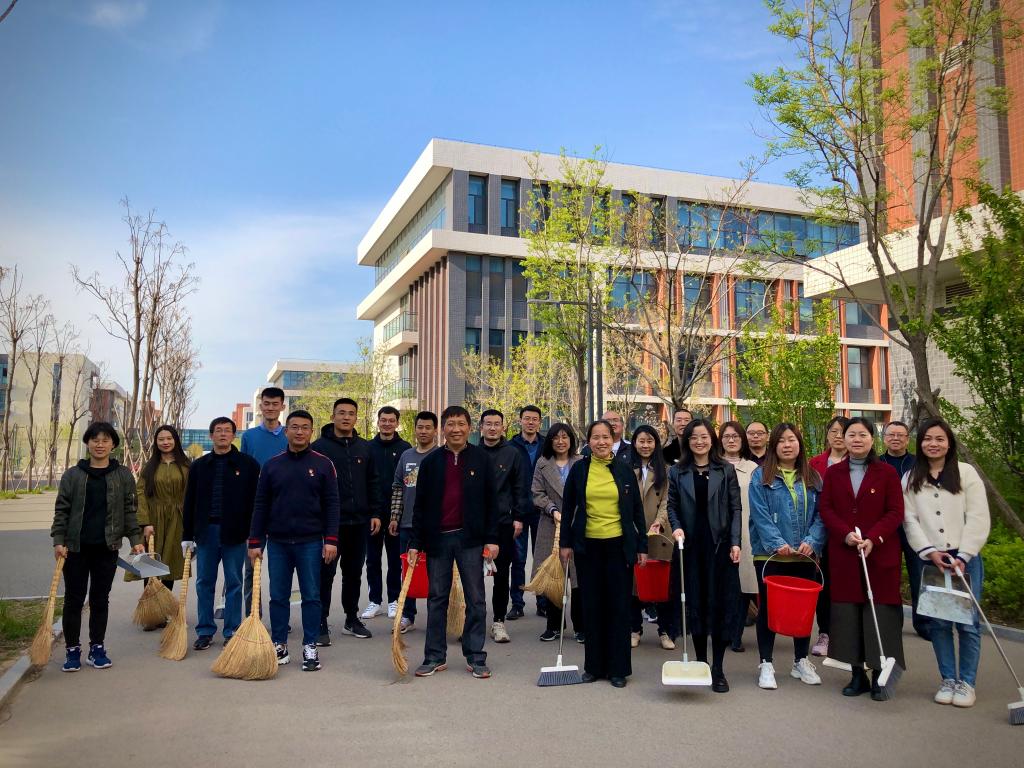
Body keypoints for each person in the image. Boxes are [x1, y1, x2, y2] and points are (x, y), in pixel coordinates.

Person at [903, 419, 990, 708]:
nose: (933, 444)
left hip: (965, 559)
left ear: (949, 443)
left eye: (939, 439)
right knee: (939, 623)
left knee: (968, 624)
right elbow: (909, 520)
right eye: (928, 439)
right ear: (920, 443)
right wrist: (929, 551)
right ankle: (948, 679)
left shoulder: (966, 473)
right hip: (933, 561)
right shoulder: (911, 478)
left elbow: (978, 517)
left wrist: (964, 555)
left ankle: (967, 682)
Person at [818, 416, 905, 701]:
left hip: (879, 554)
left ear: (872, 438)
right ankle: (857, 674)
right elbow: (826, 509)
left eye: (862, 435)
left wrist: (874, 537)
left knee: (880, 614)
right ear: (843, 439)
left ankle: (881, 674)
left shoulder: (887, 473)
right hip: (845, 553)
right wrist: (845, 534)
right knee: (848, 615)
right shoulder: (834, 473)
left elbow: (895, 511)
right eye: (851, 434)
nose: (856, 440)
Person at [408, 406, 498, 679]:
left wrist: (492, 539)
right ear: (443, 429)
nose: (456, 429)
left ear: (470, 428)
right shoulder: (431, 462)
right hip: (438, 540)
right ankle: (434, 656)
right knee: (437, 598)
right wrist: (415, 542)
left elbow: (493, 503)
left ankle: (475, 655)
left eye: (461, 424)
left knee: (476, 599)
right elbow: (420, 506)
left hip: (471, 540)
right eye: (451, 424)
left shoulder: (482, 459)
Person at [248, 410, 340, 672]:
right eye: (295, 427)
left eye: (305, 427)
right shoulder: (272, 465)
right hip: (278, 542)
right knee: (278, 596)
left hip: (311, 542)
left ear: (311, 431)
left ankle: (310, 645)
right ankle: (279, 643)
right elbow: (261, 504)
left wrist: (331, 539)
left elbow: (332, 504)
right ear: (286, 431)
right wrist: (255, 541)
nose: (300, 432)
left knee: (311, 596)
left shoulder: (323, 464)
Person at [560, 420, 648, 688]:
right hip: (588, 547)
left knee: (618, 607)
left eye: (606, 437)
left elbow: (637, 511)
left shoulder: (624, 470)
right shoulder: (579, 469)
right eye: (596, 437)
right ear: (588, 441)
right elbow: (568, 508)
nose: (601, 442)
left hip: (619, 546)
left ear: (614, 440)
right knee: (592, 606)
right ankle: (594, 666)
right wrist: (565, 543)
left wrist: (642, 546)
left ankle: (618, 669)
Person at [52, 422, 144, 671]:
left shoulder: (123, 475)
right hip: (75, 548)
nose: (100, 444)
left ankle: (97, 648)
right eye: (95, 440)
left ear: (113, 444)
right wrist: (58, 540)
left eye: (105, 440)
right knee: (73, 599)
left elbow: (129, 511)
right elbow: (62, 510)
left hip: (107, 547)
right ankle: (72, 650)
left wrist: (136, 541)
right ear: (87, 443)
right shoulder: (73, 475)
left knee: (100, 599)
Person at [748, 423, 827, 690]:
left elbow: (822, 515)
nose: (787, 445)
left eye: (791, 439)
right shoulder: (761, 476)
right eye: (781, 440)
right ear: (773, 445)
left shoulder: (813, 477)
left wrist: (812, 541)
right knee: (769, 610)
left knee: (803, 612)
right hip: (770, 556)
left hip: (804, 557)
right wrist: (777, 543)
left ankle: (800, 660)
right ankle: (766, 663)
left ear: (799, 443)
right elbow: (759, 515)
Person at [667, 418, 742, 693]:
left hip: (719, 547)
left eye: (704, 437)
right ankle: (701, 663)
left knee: (719, 605)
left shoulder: (725, 470)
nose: (699, 442)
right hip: (689, 547)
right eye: (694, 437)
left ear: (713, 439)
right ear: (687, 441)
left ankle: (718, 668)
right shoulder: (677, 471)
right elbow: (672, 505)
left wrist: (735, 542)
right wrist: (676, 527)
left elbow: (736, 508)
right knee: (695, 604)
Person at [181, 417, 260, 649]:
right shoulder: (199, 466)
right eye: (218, 430)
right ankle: (205, 630)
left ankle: (232, 630)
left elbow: (257, 502)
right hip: (206, 532)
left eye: (227, 430)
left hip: (236, 533)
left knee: (234, 582)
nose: (223, 434)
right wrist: (187, 535)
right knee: (204, 582)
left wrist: (254, 534)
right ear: (211, 435)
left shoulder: (248, 465)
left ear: (234, 435)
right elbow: (189, 502)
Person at [311, 398, 380, 644]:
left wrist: (375, 512)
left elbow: (373, 481)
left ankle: (351, 619)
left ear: (356, 418)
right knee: (325, 574)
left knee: (353, 573)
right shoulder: (318, 447)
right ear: (333, 416)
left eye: (351, 413)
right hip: (330, 524)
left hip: (359, 522)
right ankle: (320, 621)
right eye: (341, 413)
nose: (346, 417)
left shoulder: (365, 447)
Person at [478, 409, 529, 644]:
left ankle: (498, 621)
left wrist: (518, 517)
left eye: (496, 424)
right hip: (475, 524)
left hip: (503, 523)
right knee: (472, 574)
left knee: (501, 574)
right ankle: (473, 619)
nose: (492, 428)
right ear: (480, 427)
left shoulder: (512, 453)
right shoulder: (472, 452)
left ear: (503, 427)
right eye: (488, 424)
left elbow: (520, 487)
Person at [131, 425, 190, 626]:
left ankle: (164, 610)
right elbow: (140, 494)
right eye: (161, 439)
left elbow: (192, 494)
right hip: (154, 521)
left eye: (169, 438)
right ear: (156, 443)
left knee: (169, 565)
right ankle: (151, 613)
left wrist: (190, 523)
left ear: (175, 440)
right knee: (151, 565)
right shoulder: (150, 467)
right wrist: (145, 522)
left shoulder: (186, 466)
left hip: (177, 520)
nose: (165, 442)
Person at [531, 422, 583, 642]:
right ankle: (554, 625)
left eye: (565, 437)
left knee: (579, 578)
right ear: (550, 441)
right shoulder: (543, 463)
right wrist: (552, 509)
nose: (561, 441)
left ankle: (581, 626)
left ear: (571, 440)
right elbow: (537, 493)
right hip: (551, 525)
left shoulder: (581, 462)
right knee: (554, 577)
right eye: (556, 437)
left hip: (578, 526)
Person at [239, 386, 288, 617]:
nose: (270, 408)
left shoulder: (290, 434)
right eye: (266, 403)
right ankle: (253, 617)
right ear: (260, 406)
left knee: (282, 570)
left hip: (284, 511)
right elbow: (244, 474)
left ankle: (280, 618)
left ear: (282, 406)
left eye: (275, 404)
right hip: (254, 510)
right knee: (252, 567)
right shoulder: (248, 437)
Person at [388, 411, 439, 633]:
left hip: (435, 527)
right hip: (407, 525)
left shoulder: (441, 456)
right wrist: (394, 516)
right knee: (408, 572)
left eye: (428, 427)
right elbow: (398, 487)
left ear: (435, 430)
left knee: (436, 573)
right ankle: (408, 615)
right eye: (420, 427)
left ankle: (436, 616)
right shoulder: (406, 456)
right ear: (415, 429)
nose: (423, 431)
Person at [629, 425, 678, 650]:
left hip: (659, 533)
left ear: (656, 444)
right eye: (641, 441)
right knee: (634, 584)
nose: (645, 445)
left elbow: (667, 501)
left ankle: (665, 631)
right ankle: (634, 629)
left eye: (650, 441)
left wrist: (659, 521)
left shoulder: (665, 470)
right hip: (633, 532)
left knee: (662, 583)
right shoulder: (625, 469)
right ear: (634, 443)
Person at [881, 420, 929, 640]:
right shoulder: (877, 463)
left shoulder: (919, 464)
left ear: (908, 439)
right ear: (884, 438)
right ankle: (893, 623)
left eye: (900, 435)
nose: (896, 438)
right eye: (891, 435)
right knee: (890, 578)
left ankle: (924, 623)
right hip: (887, 528)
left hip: (915, 527)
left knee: (919, 575)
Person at [807, 415, 850, 658]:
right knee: (824, 586)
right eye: (834, 431)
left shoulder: (859, 463)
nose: (838, 436)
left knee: (847, 586)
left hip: (849, 534)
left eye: (843, 431)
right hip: (822, 533)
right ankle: (825, 633)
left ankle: (846, 635)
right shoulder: (815, 464)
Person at [363, 406, 411, 621]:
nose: (387, 424)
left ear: (397, 423)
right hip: (372, 513)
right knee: (372, 560)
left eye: (391, 420)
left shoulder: (405, 448)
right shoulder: (367, 448)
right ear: (378, 422)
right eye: (384, 420)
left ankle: (394, 600)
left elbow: (407, 482)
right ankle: (374, 600)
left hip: (396, 514)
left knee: (394, 560)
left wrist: (398, 514)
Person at [719, 420, 759, 652]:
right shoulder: (712, 466)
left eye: (736, 436)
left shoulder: (754, 469)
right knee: (721, 585)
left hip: (746, 532)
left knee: (743, 585)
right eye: (727, 436)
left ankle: (736, 635)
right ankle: (722, 631)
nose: (731, 440)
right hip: (718, 533)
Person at [510, 405, 544, 619]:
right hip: (519, 511)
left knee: (541, 559)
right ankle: (517, 603)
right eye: (527, 418)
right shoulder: (511, 446)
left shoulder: (546, 444)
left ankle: (543, 602)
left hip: (542, 511)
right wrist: (514, 513)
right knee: (518, 559)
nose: (530, 422)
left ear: (539, 422)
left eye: (534, 419)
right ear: (520, 420)